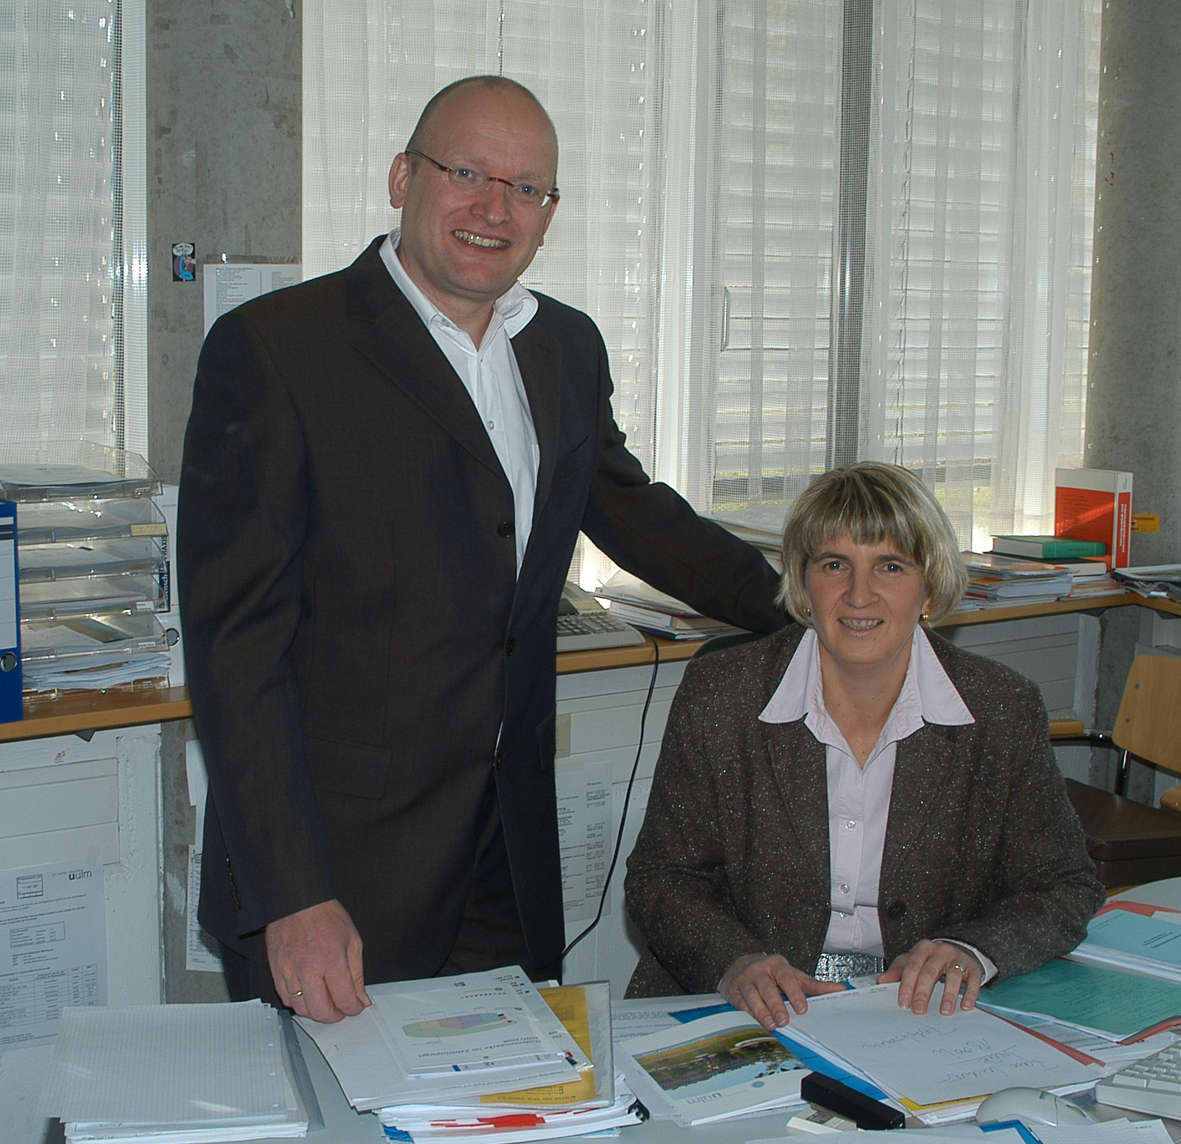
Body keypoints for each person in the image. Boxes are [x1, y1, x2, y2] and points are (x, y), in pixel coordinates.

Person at [176, 75, 785, 1024]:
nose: (492, 207)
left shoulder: (565, 348)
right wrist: (291, 895)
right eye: (466, 172)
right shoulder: (279, 349)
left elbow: (630, 513)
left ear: (548, 214)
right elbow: (235, 649)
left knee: (507, 1107)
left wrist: (801, 605)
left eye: (525, 188)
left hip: (506, 849)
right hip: (339, 868)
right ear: (400, 177)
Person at [624, 461, 1105, 1030]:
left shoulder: (1000, 708)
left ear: (929, 588)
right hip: (747, 1012)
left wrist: (973, 950)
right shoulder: (721, 695)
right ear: (805, 585)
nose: (859, 594)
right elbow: (660, 878)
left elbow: (1065, 885)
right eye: (835, 565)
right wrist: (734, 962)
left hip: (922, 1015)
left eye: (890, 566)